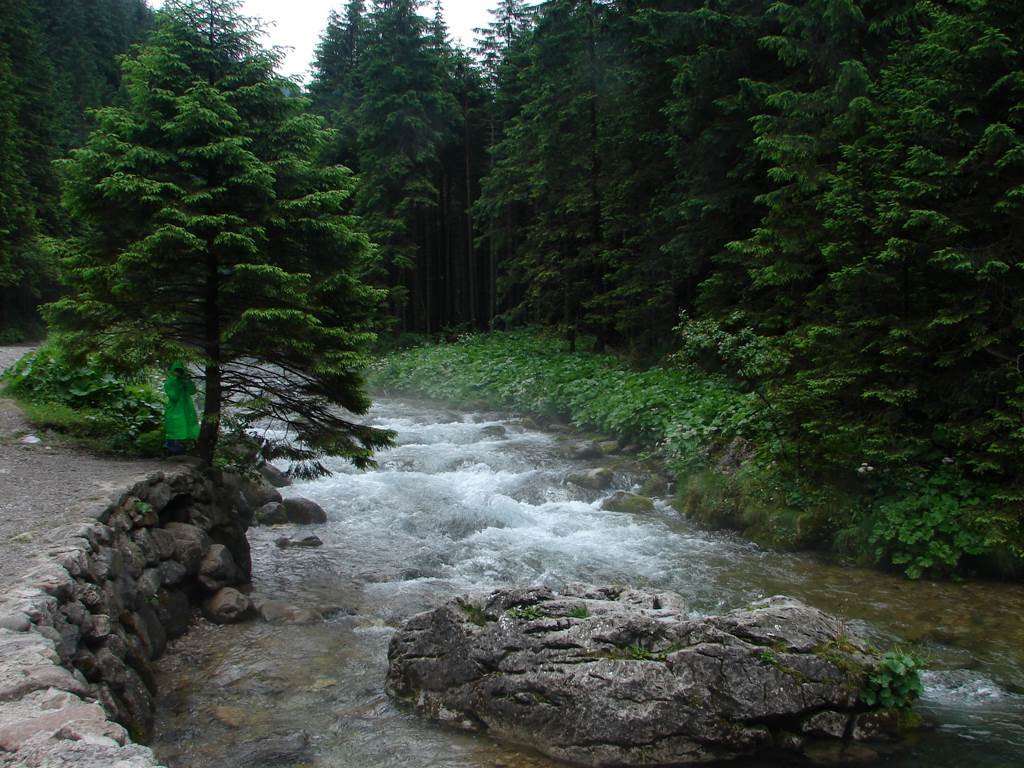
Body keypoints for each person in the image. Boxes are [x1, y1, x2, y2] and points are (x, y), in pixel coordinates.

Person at [163, 361, 199, 455]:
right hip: (174, 409)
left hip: (186, 409)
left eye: (180, 371)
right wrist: (177, 383)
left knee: (187, 428)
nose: (178, 373)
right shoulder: (170, 382)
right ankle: (170, 448)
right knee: (173, 428)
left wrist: (187, 381)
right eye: (176, 371)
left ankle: (181, 449)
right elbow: (174, 396)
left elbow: (193, 391)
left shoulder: (184, 381)